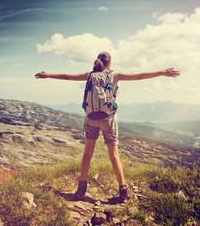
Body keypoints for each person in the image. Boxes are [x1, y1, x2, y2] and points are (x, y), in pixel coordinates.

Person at [35, 51, 180, 200]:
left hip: (91, 119)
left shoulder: (89, 75)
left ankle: (81, 189)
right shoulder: (115, 75)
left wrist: (48, 75)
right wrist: (162, 72)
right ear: (109, 63)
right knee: (114, 156)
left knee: (87, 154)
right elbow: (139, 76)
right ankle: (123, 191)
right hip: (108, 120)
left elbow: (67, 77)